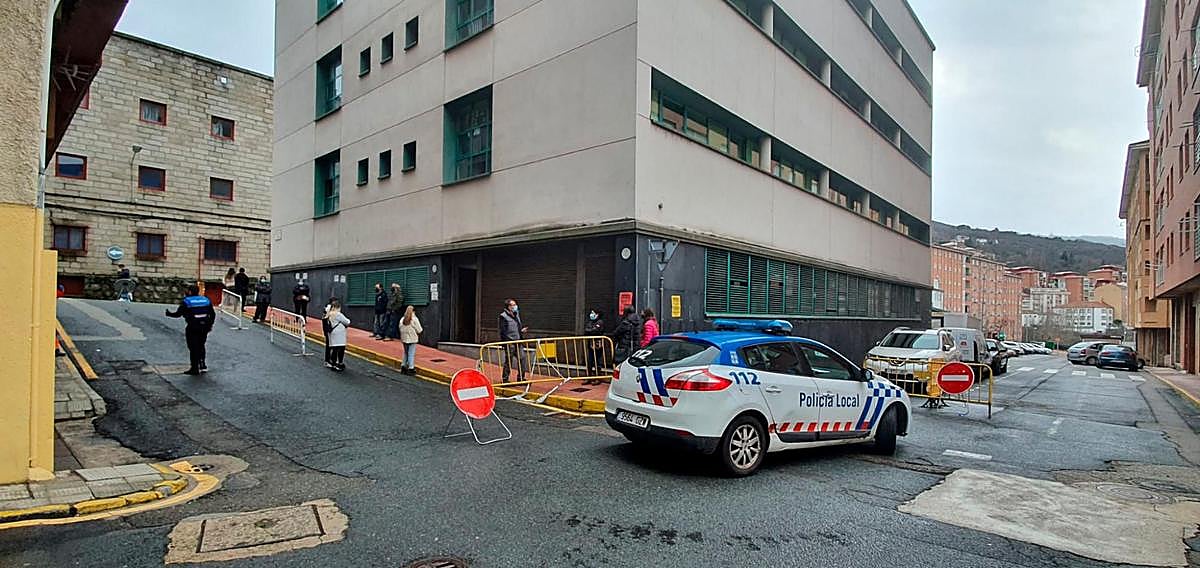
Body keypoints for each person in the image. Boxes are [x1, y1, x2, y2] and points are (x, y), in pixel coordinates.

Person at [165, 285, 215, 375]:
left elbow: (178, 314)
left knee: (193, 347)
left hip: (193, 327)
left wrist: (169, 314)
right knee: (201, 345)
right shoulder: (206, 300)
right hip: (204, 327)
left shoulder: (187, 301)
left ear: (190, 292)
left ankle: (194, 368)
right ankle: (202, 364)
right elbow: (213, 314)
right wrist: (210, 325)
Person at [499, 298, 529, 383]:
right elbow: (503, 331)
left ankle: (521, 378)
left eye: (515, 305)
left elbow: (517, 326)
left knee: (522, 358)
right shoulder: (503, 316)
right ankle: (505, 379)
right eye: (513, 305)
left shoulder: (516, 314)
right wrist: (504, 343)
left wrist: (521, 331)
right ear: (508, 306)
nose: (515, 306)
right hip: (509, 342)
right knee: (509, 360)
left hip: (518, 341)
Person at [324, 299, 350, 371]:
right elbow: (347, 322)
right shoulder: (338, 314)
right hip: (339, 334)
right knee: (341, 348)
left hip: (332, 333)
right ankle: (339, 363)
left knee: (334, 349)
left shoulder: (329, 314)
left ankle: (333, 363)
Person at [582, 308, 605, 385]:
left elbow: (596, 331)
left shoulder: (600, 322)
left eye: (593, 313)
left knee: (597, 361)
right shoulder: (590, 322)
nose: (591, 314)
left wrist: (591, 330)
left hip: (598, 344)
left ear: (597, 314)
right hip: (590, 343)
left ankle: (598, 378)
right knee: (589, 361)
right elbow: (586, 331)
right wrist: (590, 330)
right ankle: (589, 377)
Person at [398, 305, 423, 375]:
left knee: (406, 353)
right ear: (413, 311)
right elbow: (419, 330)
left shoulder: (402, 319)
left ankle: (403, 366)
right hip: (412, 338)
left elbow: (400, 327)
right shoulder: (414, 319)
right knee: (411, 353)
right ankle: (411, 368)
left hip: (404, 338)